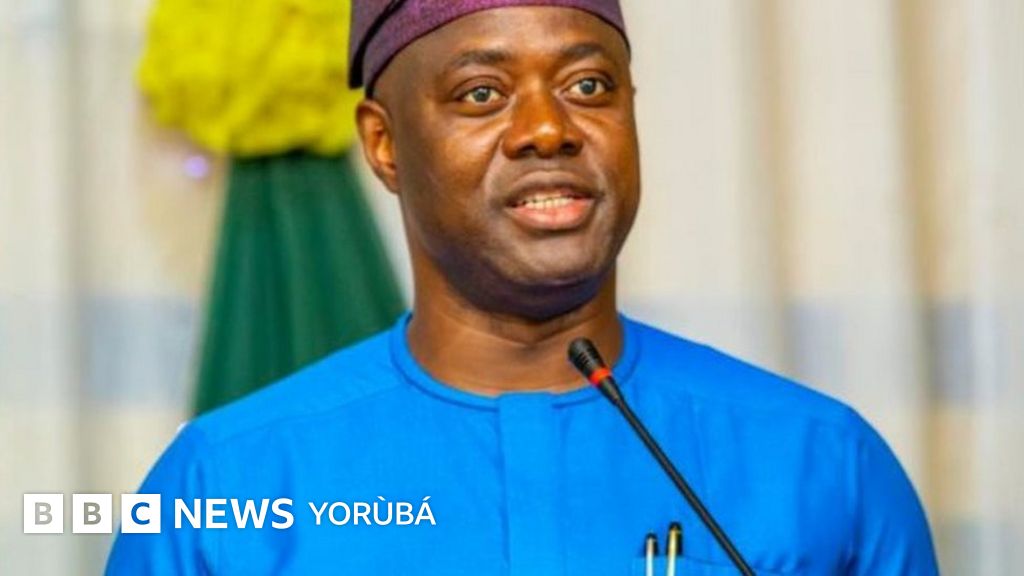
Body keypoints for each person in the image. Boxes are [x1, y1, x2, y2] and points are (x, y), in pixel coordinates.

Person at [107, 1, 939, 574]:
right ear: (385, 145)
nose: (548, 129)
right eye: (482, 94)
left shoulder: (823, 463)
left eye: (588, 87)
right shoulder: (226, 483)